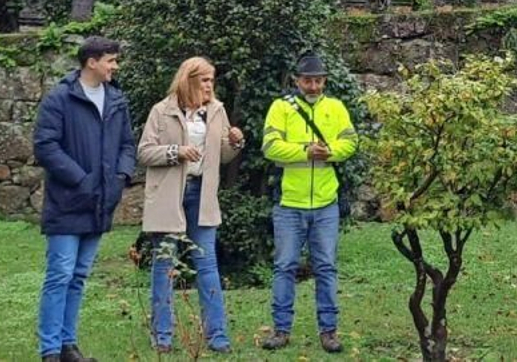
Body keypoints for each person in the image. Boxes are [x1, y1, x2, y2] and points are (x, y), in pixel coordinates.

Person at [32, 36, 136, 362]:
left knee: (78, 276)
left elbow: (127, 145)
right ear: (92, 62)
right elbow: (45, 146)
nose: (115, 67)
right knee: (60, 274)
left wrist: (120, 178)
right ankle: (50, 350)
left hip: (101, 203)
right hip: (67, 202)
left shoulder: (116, 100)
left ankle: (68, 345)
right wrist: (80, 178)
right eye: (111, 60)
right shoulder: (60, 98)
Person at [137, 56, 246, 354]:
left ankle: (217, 336)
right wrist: (176, 152)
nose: (210, 86)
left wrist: (235, 142)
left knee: (207, 263)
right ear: (189, 80)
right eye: (205, 80)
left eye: (212, 80)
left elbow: (222, 156)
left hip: (202, 194)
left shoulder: (217, 110)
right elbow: (144, 152)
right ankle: (162, 336)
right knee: (164, 264)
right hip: (169, 195)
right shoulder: (162, 110)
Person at [260, 53, 358, 353]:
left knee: (326, 267)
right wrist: (305, 151)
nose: (313, 86)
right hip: (289, 203)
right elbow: (270, 147)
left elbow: (351, 141)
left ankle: (329, 332)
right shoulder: (281, 108)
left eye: (317, 81)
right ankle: (280, 330)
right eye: (307, 81)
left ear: (324, 80)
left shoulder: (336, 108)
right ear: (296, 80)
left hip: (326, 203)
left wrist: (331, 152)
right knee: (284, 266)